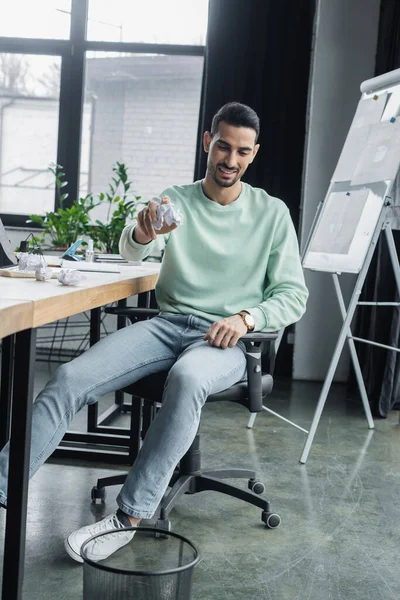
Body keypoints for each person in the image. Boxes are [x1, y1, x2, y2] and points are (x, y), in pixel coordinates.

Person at [0, 102, 308, 563]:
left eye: (242, 151)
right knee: (67, 380)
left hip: (225, 340)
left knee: (187, 379)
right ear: (208, 142)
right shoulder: (176, 199)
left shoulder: (272, 213)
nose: (230, 159)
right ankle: (3, 487)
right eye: (223, 146)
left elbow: (292, 296)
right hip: (167, 326)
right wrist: (143, 234)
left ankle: (128, 517)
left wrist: (246, 318)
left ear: (253, 154)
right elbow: (135, 250)